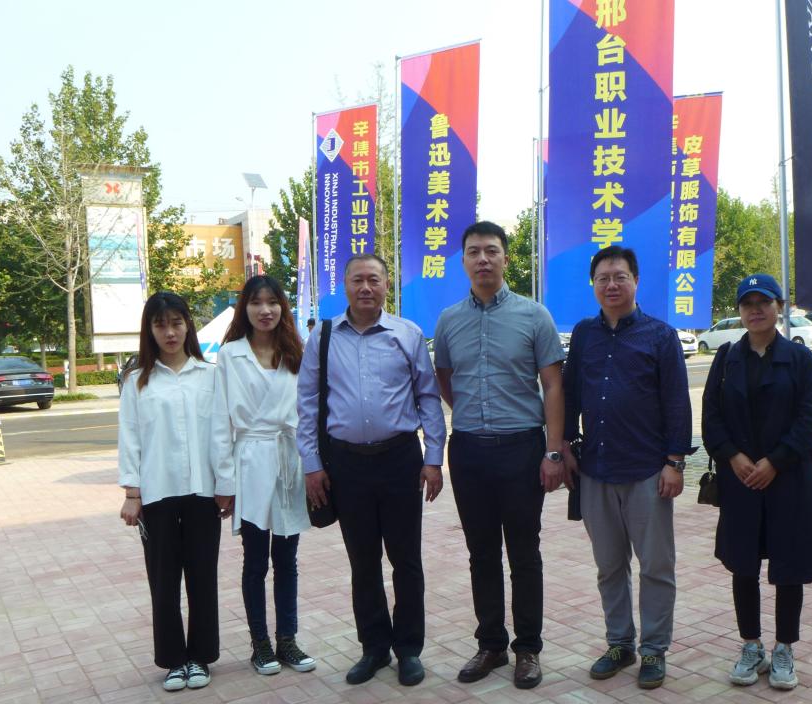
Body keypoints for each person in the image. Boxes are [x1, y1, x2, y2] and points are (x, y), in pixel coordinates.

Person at [299, 254, 446, 687]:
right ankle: (374, 647)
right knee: (362, 562)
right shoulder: (324, 336)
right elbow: (307, 403)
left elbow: (428, 397)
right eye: (357, 280)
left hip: (400, 460)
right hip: (346, 464)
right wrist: (312, 464)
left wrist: (433, 457)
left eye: (374, 280)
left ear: (386, 284)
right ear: (345, 285)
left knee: (406, 560)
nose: (366, 287)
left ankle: (409, 649)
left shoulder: (407, 333)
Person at [433, 221, 566, 690]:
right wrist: (473, 416)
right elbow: (445, 379)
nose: (483, 259)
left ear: (506, 258)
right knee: (481, 553)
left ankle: (528, 648)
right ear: (464, 261)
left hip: (522, 449)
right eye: (474, 252)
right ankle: (490, 643)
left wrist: (554, 451)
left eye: (491, 250)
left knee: (524, 552)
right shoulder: (449, 320)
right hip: (469, 451)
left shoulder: (534, 316)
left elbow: (553, 385)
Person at [561, 246, 692, 690]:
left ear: (636, 281)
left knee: (656, 566)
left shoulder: (660, 336)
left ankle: (654, 649)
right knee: (609, 566)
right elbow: (571, 393)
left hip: (647, 471)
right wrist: (565, 444)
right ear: (593, 285)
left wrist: (675, 462)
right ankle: (619, 643)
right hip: (596, 470)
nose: (611, 285)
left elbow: (677, 403)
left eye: (619, 276)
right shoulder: (584, 334)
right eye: (603, 278)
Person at [701, 273, 812, 691]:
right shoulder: (726, 359)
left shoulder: (799, 358)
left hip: (789, 478)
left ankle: (784, 647)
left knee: (789, 565)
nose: (755, 310)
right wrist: (734, 457)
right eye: (747, 304)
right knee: (743, 563)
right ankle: (751, 645)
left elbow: (808, 418)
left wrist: (774, 462)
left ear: (780, 307)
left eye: (764, 302)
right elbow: (711, 417)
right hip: (740, 480)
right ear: (739, 311)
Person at [210, 276, 316, 676]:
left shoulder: (295, 353)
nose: (265, 310)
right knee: (255, 561)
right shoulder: (231, 355)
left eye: (273, 302)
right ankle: (261, 644)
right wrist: (225, 483)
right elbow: (221, 422)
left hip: (289, 459)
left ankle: (287, 639)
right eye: (256, 302)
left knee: (287, 559)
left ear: (283, 307)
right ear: (245, 308)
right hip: (251, 461)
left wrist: (315, 466)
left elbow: (310, 414)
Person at [118, 292, 223, 691]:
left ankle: (200, 657)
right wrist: (132, 493)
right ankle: (173, 661)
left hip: (203, 492)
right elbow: (129, 438)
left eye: (177, 323)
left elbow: (221, 435)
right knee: (163, 581)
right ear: (150, 330)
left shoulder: (210, 376)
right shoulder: (137, 381)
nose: (170, 332)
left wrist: (225, 485)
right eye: (160, 325)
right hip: (157, 493)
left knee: (202, 578)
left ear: (188, 325)